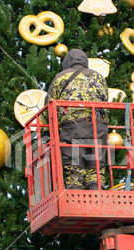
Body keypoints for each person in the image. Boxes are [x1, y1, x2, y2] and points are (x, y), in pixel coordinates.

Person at [45, 49, 109, 190]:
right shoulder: (99, 77)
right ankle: (97, 190)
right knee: (96, 166)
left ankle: (75, 193)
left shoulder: (60, 78)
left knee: (74, 167)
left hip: (74, 127)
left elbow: (49, 106)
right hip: (99, 126)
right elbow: (105, 98)